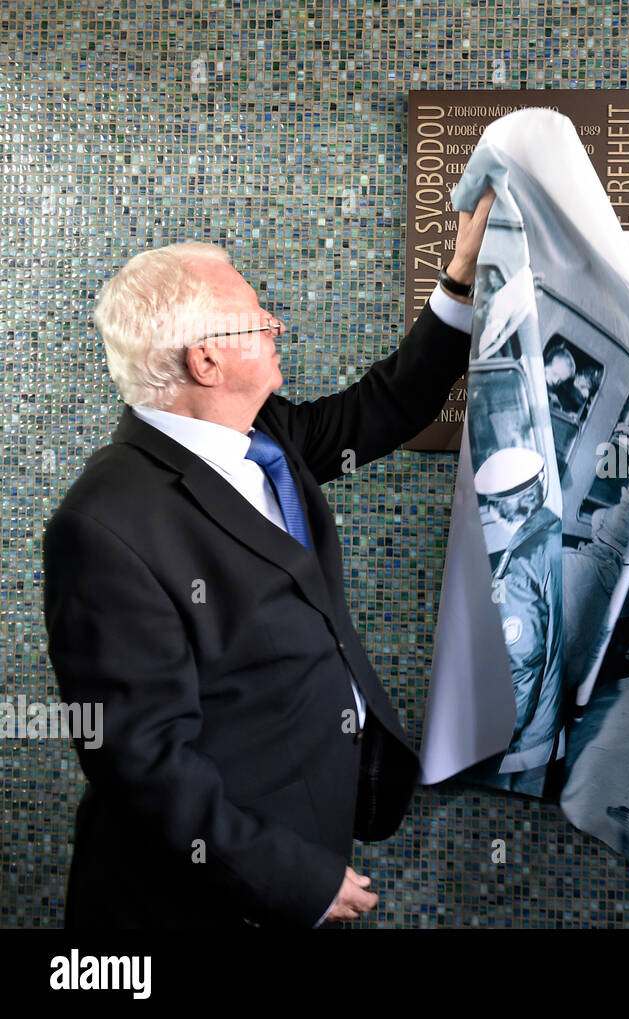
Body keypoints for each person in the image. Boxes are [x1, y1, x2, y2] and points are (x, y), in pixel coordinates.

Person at [42, 190, 496, 928]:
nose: (277, 325)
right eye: (258, 319)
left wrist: (461, 277)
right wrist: (295, 880)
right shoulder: (102, 525)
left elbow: (385, 406)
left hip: (303, 827)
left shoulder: (265, 433)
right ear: (208, 357)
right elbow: (141, 761)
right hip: (199, 900)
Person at [466, 446, 564, 795]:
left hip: (527, 736)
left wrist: (495, 737)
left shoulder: (519, 566)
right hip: (551, 719)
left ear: (503, 505)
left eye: (492, 503)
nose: (489, 510)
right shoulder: (554, 534)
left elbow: (522, 666)